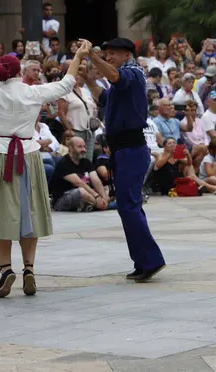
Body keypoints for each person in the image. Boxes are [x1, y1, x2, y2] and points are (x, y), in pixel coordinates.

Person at [0, 43, 88, 298]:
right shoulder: (32, 92)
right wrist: (77, 56)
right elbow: (67, 83)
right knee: (28, 213)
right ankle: (29, 268)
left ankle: (5, 268)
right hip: (28, 154)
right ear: (18, 72)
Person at [81, 37, 165, 283]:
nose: (108, 57)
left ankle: (151, 261)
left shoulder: (133, 72)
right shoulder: (121, 79)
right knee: (128, 207)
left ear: (126, 55)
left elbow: (115, 78)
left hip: (131, 149)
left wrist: (92, 56)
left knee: (129, 206)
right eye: (106, 53)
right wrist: (88, 79)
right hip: (122, 150)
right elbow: (104, 97)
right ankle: (142, 261)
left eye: (112, 54)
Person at [50, 137, 110, 212]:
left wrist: (104, 197)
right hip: (61, 200)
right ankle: (99, 205)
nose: (83, 150)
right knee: (81, 191)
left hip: (87, 194)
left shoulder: (86, 161)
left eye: (84, 146)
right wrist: (97, 197)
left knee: (104, 189)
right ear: (71, 148)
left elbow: (95, 179)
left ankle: (97, 204)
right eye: (80, 147)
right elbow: (79, 183)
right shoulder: (64, 163)